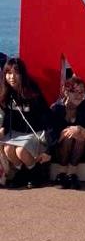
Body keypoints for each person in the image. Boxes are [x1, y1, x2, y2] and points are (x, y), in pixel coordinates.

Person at [0, 58, 52, 188]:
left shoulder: (32, 90)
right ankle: (22, 173)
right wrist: (3, 129)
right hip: (16, 132)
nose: (12, 77)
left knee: (21, 150)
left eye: (16, 73)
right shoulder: (6, 91)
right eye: (8, 73)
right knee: (8, 148)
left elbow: (45, 114)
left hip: (34, 131)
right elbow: (7, 115)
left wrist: (50, 144)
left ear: (22, 74)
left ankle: (34, 173)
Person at [50, 76, 85, 189]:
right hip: (58, 151)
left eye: (81, 92)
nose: (78, 95)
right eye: (74, 92)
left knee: (78, 135)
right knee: (69, 135)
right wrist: (65, 132)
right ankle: (61, 173)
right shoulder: (55, 108)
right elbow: (50, 139)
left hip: (83, 151)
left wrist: (80, 129)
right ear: (66, 92)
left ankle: (72, 174)